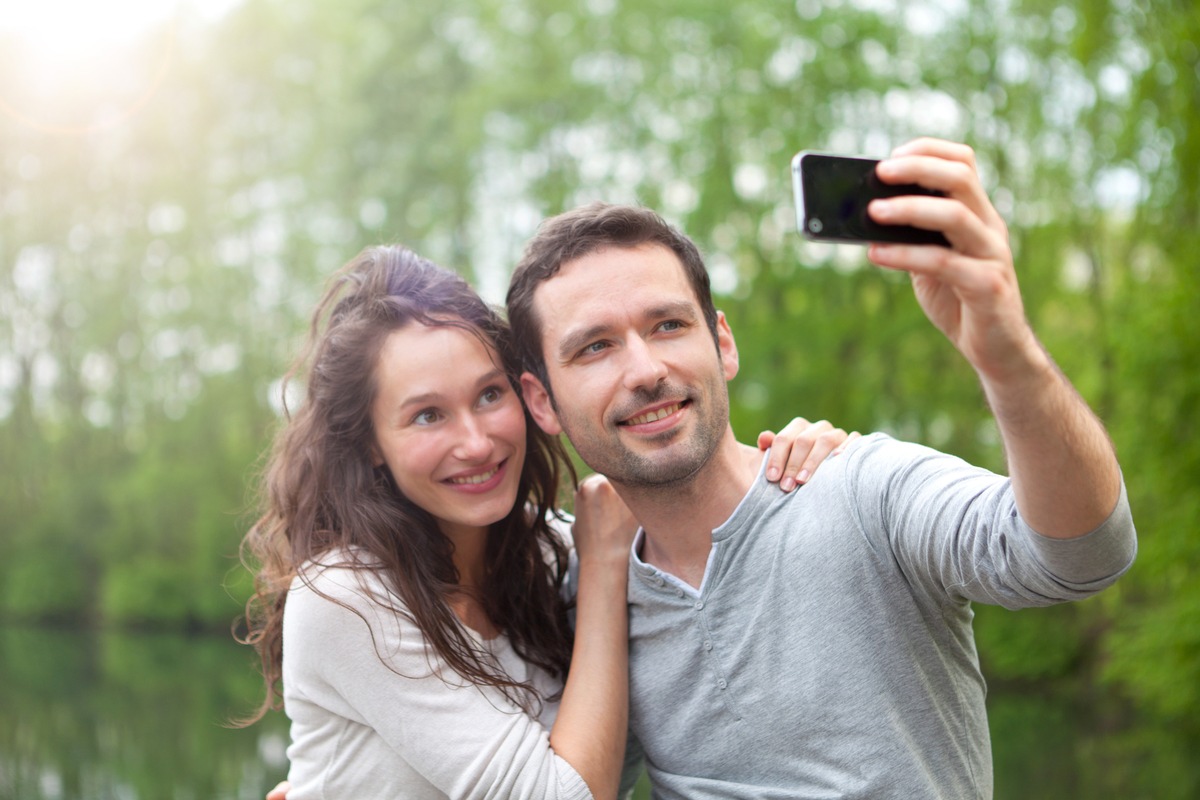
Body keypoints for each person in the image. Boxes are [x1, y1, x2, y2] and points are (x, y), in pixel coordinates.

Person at [504, 138, 1137, 798]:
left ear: (723, 343)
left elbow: (1085, 557)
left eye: (667, 325)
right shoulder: (585, 586)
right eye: (595, 347)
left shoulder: (864, 491)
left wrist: (1008, 358)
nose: (645, 370)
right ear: (543, 401)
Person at [238, 246, 853, 799]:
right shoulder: (347, 594)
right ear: (370, 442)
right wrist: (606, 566)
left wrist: (801, 462)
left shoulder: (552, 552)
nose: (477, 443)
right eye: (427, 416)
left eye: (488, 395)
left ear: (529, 396)